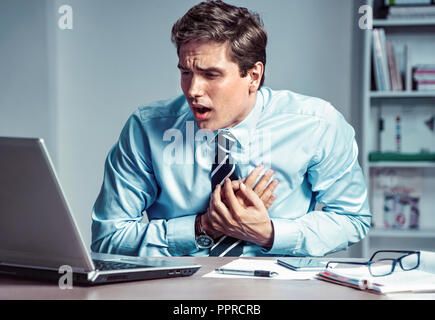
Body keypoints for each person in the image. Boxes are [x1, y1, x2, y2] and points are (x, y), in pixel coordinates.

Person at [91, 0, 371, 257]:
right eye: (186, 72)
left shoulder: (317, 125)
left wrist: (269, 233)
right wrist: (202, 227)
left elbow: (352, 219)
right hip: (179, 288)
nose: (193, 90)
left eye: (211, 74)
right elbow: (108, 237)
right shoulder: (146, 128)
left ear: (253, 75)